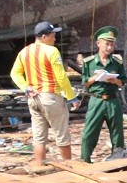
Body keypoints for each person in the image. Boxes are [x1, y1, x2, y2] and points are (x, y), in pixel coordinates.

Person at [10, 21, 79, 167]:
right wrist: (71, 97)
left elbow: (14, 73)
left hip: (33, 98)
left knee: (39, 138)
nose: (55, 38)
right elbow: (61, 77)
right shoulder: (51, 51)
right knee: (62, 136)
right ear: (43, 36)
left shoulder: (24, 52)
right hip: (50, 96)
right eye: (53, 35)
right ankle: (69, 168)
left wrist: (26, 88)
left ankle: (39, 167)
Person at [79, 26, 127, 162]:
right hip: (96, 101)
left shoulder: (117, 63)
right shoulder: (88, 63)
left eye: (112, 44)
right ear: (98, 44)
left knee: (117, 133)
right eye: (107, 44)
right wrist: (95, 78)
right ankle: (85, 160)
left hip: (113, 101)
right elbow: (85, 83)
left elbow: (122, 82)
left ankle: (118, 160)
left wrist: (114, 80)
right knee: (89, 132)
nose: (109, 47)